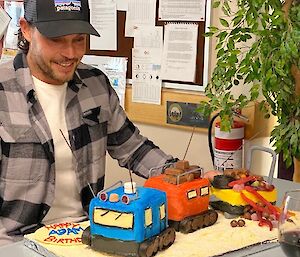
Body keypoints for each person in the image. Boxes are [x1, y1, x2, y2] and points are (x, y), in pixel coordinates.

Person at [0, 0, 175, 246]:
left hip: (88, 235)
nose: (70, 53)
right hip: (16, 243)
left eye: (79, 39)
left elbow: (133, 148)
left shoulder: (95, 83)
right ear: (26, 29)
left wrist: (181, 174)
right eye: (57, 39)